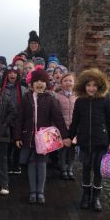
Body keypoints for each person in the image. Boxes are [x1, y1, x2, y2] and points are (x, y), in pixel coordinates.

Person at [14, 68, 70, 204]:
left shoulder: (50, 99)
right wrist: (17, 137)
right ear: (32, 84)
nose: (39, 84)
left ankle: (41, 192)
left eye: (42, 81)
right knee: (31, 164)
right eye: (36, 81)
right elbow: (20, 119)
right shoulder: (26, 99)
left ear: (46, 83)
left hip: (45, 139)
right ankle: (32, 192)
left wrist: (65, 136)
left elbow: (58, 118)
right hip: (29, 137)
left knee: (42, 164)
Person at [68, 68, 110, 212]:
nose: (91, 88)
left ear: (99, 86)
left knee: (97, 170)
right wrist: (69, 137)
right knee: (85, 169)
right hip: (84, 141)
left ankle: (96, 198)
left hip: (100, 141)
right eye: (89, 85)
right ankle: (85, 196)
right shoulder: (80, 102)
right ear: (84, 86)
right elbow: (75, 122)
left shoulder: (105, 101)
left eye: (94, 85)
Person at [2, 65, 26, 174]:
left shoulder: (22, 89)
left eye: (14, 73)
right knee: (7, 144)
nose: (12, 75)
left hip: (18, 120)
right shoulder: (1, 89)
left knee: (17, 143)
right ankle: (7, 165)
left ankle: (16, 164)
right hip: (6, 120)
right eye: (10, 73)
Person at [56, 73, 76, 180]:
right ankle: (63, 169)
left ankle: (70, 169)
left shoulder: (77, 96)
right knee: (63, 149)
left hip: (74, 127)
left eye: (70, 80)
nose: (68, 82)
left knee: (72, 150)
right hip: (62, 127)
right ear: (62, 83)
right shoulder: (57, 96)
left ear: (74, 83)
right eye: (65, 80)